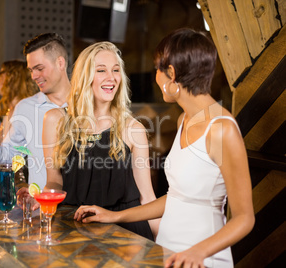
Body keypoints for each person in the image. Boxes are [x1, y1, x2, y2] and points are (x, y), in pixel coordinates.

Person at [74, 28, 255, 268]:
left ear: (171, 74)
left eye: (158, 70)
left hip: (201, 258)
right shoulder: (184, 119)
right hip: (167, 251)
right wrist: (114, 216)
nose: (155, 77)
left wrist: (197, 252)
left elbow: (244, 218)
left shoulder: (221, 128)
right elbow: (176, 198)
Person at [42, 41, 160, 240]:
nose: (111, 77)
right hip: (74, 228)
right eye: (101, 70)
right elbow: (54, 181)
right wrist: (42, 200)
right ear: (84, 76)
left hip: (127, 234)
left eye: (115, 70)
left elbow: (146, 196)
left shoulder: (133, 129)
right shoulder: (55, 120)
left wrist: (161, 249)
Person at [0, 33, 71, 188]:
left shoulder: (88, 103)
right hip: (40, 204)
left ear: (60, 63)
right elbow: (9, 157)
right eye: (31, 70)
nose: (34, 76)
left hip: (82, 206)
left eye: (39, 68)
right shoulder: (26, 108)